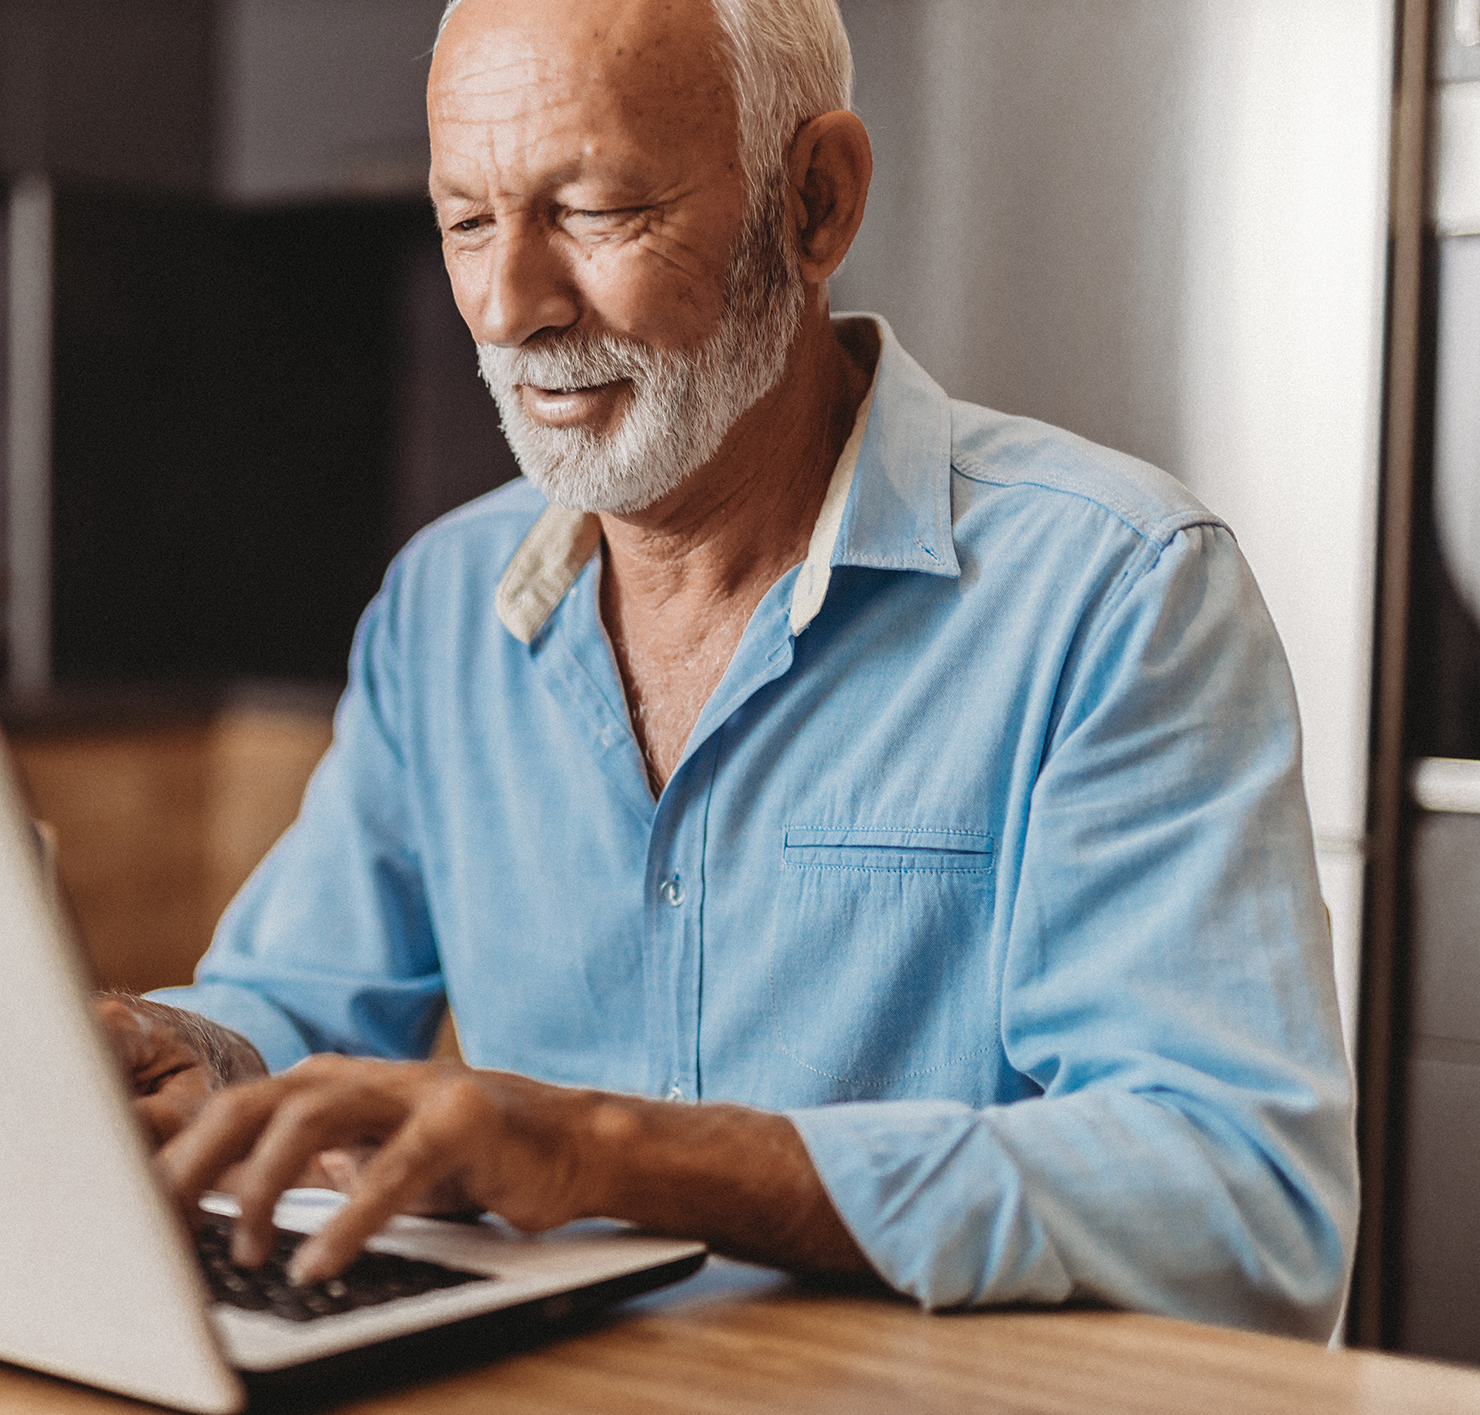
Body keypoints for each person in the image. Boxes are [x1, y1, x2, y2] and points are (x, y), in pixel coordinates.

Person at [96, 0, 1356, 1339]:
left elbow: (1245, 1207)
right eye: (467, 221)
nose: (510, 306)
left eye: (593, 209)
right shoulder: (443, 603)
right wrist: (201, 1056)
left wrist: (608, 1153)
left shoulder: (1113, 588)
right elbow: (300, 996)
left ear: (814, 203)